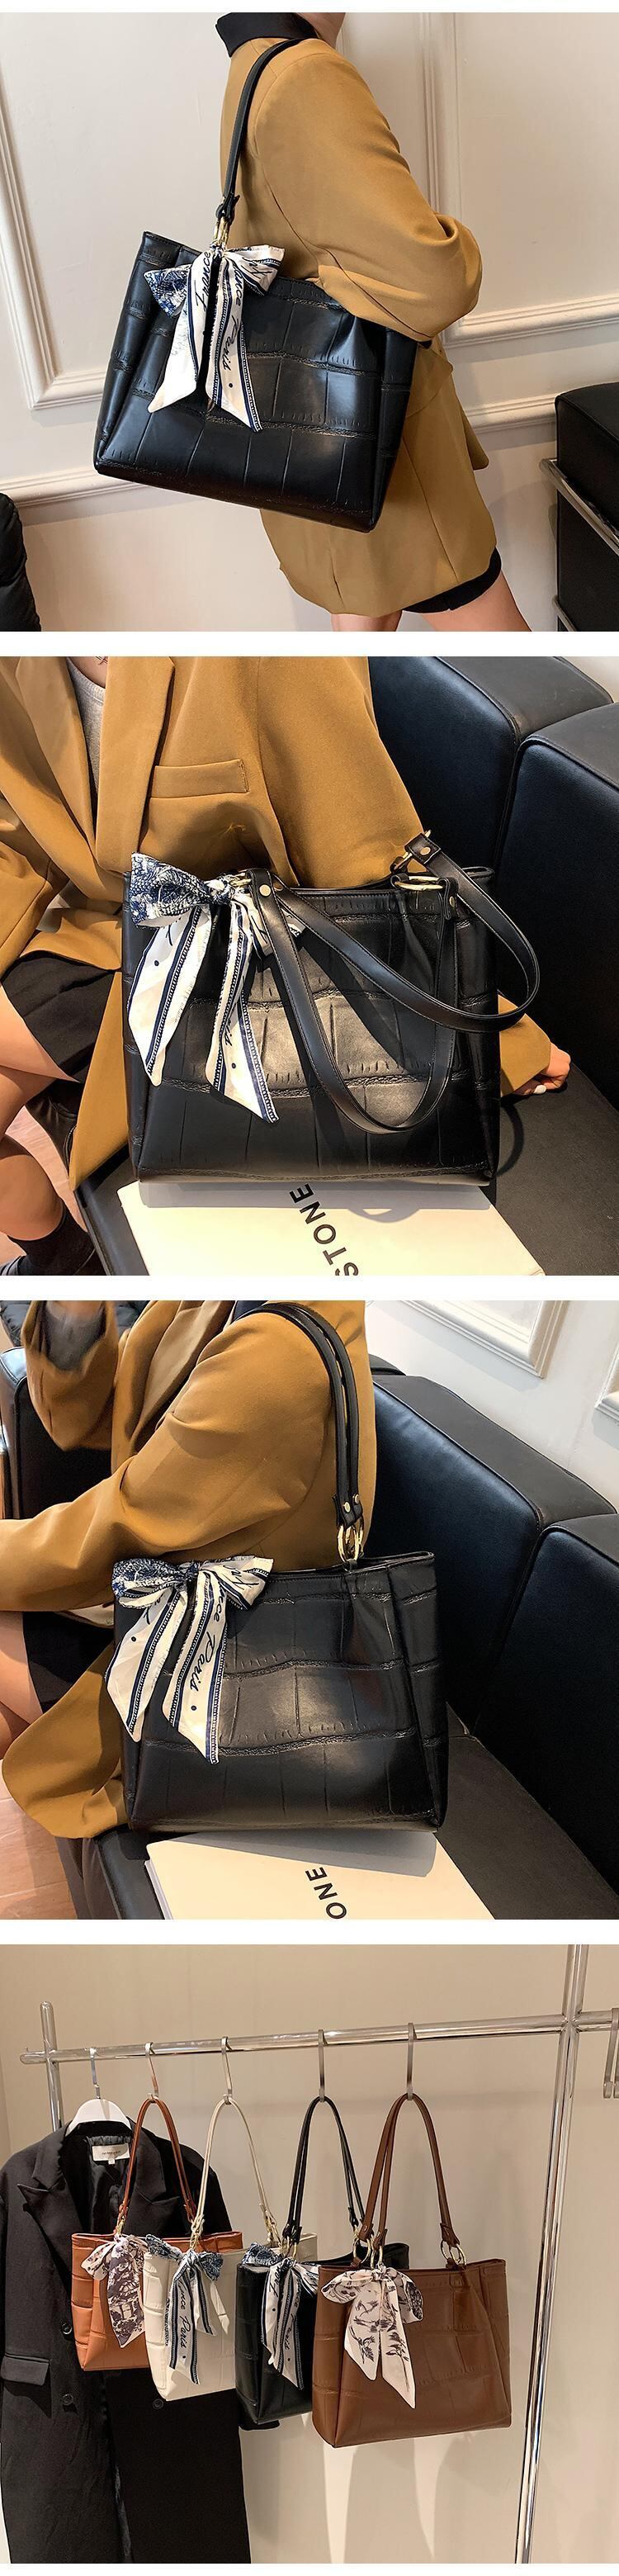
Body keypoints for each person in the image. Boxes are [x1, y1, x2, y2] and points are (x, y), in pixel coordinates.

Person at [0, 653, 566, 1278]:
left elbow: (366, 863)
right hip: (104, 937)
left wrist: (494, 1037)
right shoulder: (17, 662)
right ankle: (68, 1274)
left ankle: (68, 1276)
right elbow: (16, 838)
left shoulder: (258, 658)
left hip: (237, 969)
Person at [0, 1296, 376, 1840]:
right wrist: (71, 1308)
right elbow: (95, 1415)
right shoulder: (213, 1292)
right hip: (162, 1611)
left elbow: (125, 1523)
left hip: (219, 1673)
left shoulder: (279, 1355)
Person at [217, 12, 527, 632]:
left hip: (316, 436)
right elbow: (436, 280)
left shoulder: (253, 62)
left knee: (360, 649)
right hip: (383, 442)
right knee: (522, 672)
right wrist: (455, 240)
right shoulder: (305, 73)